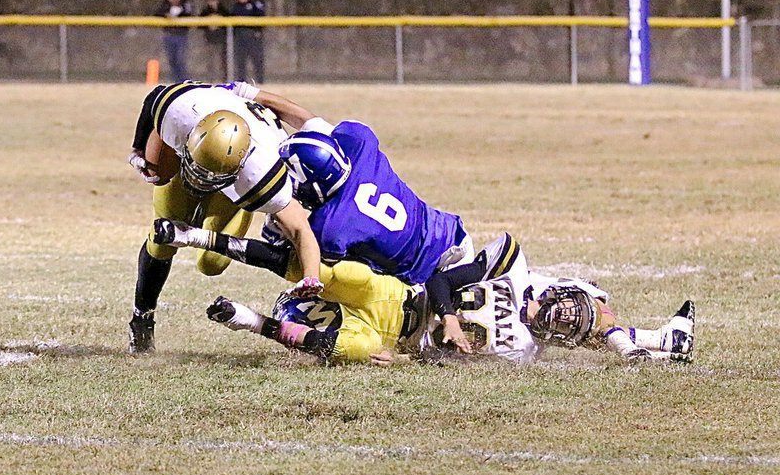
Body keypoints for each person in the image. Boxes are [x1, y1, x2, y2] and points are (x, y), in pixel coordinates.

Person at [151, 219, 696, 367]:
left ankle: (653, 342)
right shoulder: (514, 271)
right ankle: (202, 237)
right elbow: (440, 275)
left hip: (387, 331)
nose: (546, 315)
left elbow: (585, 324)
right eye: (552, 305)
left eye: (554, 321)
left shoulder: (524, 350)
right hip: (399, 294)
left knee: (355, 349)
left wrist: (627, 340)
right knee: (311, 265)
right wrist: (451, 316)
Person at [125, 80, 323, 355]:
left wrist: (311, 276)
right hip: (195, 153)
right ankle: (142, 317)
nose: (203, 181)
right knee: (161, 240)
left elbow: (301, 229)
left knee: (211, 264)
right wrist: (138, 148)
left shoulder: (261, 176)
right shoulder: (181, 113)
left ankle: (204, 223)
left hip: (234, 185)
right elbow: (155, 99)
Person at [246, 91, 475, 285]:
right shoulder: (359, 143)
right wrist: (249, 93)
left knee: (328, 283)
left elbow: (295, 250)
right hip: (453, 235)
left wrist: (276, 226)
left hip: (433, 277)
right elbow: (307, 119)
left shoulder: (330, 227)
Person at [154, 0, 193, 82]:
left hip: (181, 35)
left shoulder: (185, 3)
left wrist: (178, 16)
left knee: (180, 60)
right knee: (172, 61)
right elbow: (157, 13)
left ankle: (184, 81)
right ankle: (176, 81)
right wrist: (166, 15)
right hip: (168, 35)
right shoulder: (165, 5)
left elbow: (189, 14)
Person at [231, 0, 265, 83]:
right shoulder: (235, 7)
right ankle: (241, 82)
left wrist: (258, 30)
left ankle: (260, 81)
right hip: (240, 36)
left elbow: (262, 17)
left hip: (252, 35)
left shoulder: (255, 4)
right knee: (240, 60)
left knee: (257, 59)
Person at [199, 0, 229, 82]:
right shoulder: (205, 11)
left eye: (214, 0)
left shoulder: (222, 10)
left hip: (221, 40)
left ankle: (224, 80)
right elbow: (199, 24)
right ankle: (210, 80)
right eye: (210, 1)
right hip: (209, 40)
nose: (212, 3)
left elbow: (229, 20)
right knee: (210, 62)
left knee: (222, 62)